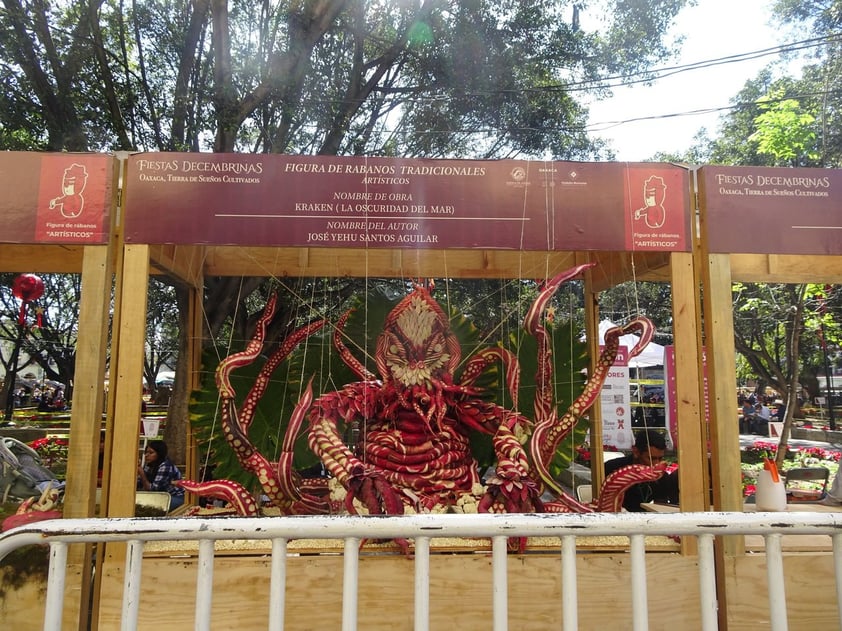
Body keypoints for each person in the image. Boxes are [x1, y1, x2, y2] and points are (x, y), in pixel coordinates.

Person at [604, 429, 676, 512]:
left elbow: (660, 506)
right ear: (636, 452)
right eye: (651, 458)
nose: (656, 464)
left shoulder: (662, 477)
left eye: (660, 458)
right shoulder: (611, 468)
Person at [137, 440, 184, 510]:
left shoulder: (165, 466)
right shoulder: (149, 465)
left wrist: (141, 472)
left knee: (149, 507)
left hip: (175, 497)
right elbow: (140, 484)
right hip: (160, 496)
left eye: (151, 453)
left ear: (159, 454)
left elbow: (152, 489)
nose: (146, 455)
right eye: (146, 452)